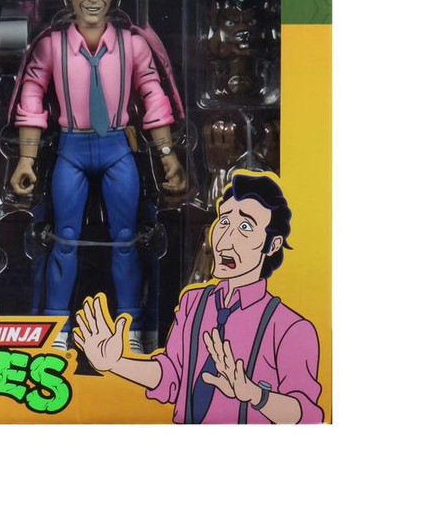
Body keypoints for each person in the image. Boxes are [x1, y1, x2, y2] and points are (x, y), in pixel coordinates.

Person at [10, 0, 186, 349]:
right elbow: (32, 95)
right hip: (70, 148)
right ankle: (56, 329)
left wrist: (167, 155)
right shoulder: (51, 47)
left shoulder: (132, 45)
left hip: (117, 147)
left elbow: (154, 95)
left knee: (126, 240)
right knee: (64, 240)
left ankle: (134, 329)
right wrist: (26, 158)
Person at [74, 171, 323, 424]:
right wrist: (114, 363)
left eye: (245, 227)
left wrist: (255, 395)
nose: (225, 240)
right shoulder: (193, 303)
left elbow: (307, 415)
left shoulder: (291, 328)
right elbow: (171, 375)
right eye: (224, 221)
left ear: (273, 244)